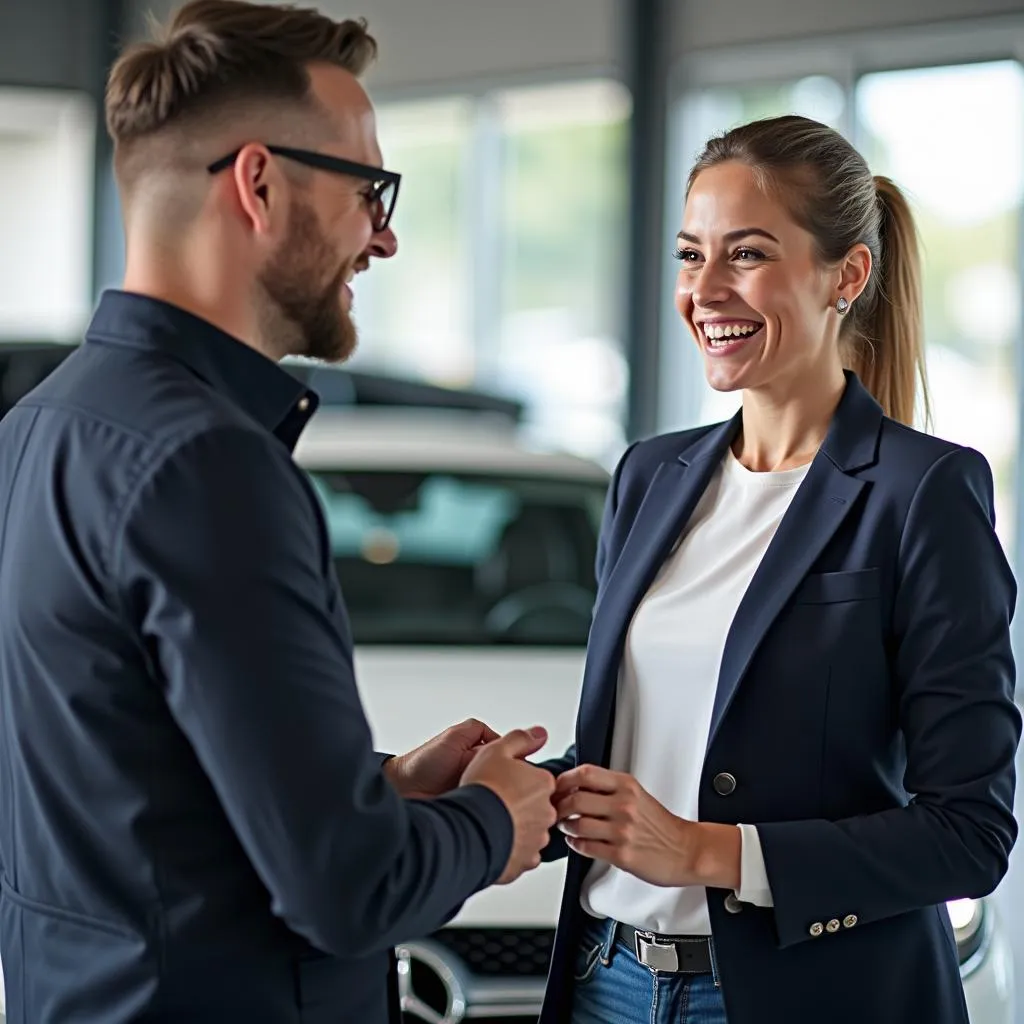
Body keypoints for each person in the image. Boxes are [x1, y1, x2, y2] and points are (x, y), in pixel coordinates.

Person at [0, 3, 558, 1022]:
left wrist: (377, 784)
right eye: (368, 191)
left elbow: (129, 790)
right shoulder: (209, 465)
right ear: (258, 183)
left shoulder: (40, 428)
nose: (382, 237)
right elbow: (349, 888)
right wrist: (494, 820)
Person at [537, 114, 1021, 1024]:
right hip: (606, 981)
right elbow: (656, 755)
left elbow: (969, 832)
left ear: (848, 274)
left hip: (803, 993)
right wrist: (520, 790)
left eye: (747, 254)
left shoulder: (924, 491)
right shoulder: (649, 475)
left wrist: (709, 852)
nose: (705, 290)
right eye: (690, 255)